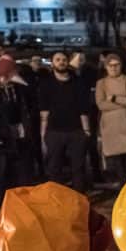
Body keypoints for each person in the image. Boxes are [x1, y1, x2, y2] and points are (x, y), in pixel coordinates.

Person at [0, 54, 34, 204]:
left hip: (19, 130)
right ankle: (1, 199)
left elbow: (25, 108)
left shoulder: (18, 87)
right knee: (3, 167)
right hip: (2, 133)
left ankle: (22, 197)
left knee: (22, 165)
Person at [39, 50, 90, 192]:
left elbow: (83, 108)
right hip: (54, 131)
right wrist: (43, 134)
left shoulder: (77, 82)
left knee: (78, 168)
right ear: (52, 63)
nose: (61, 62)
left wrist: (86, 131)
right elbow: (44, 111)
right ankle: (57, 198)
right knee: (54, 168)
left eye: (64, 59)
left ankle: (79, 198)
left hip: (76, 131)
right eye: (58, 59)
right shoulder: (46, 83)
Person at [95, 54, 126, 186]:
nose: (113, 68)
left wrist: (115, 98)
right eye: (110, 65)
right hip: (112, 131)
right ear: (106, 67)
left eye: (116, 65)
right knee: (117, 170)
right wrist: (125, 102)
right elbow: (101, 104)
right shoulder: (101, 84)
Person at [70, 50, 105, 185]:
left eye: (83, 58)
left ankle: (96, 174)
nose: (80, 60)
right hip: (74, 115)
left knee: (92, 144)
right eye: (78, 58)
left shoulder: (90, 72)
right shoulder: (69, 74)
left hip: (90, 112)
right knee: (77, 147)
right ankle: (80, 176)